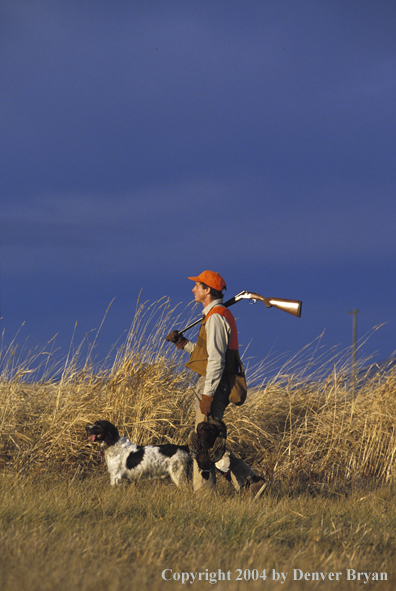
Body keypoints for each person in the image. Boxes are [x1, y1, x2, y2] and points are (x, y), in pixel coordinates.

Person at [166, 270, 267, 499]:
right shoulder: (213, 316)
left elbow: (217, 361)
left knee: (203, 442)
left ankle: (206, 496)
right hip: (213, 382)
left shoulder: (216, 317)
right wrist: (183, 344)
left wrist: (208, 395)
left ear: (207, 290)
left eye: (198, 285)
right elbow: (208, 354)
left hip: (213, 384)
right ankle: (250, 482)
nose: (193, 289)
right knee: (208, 440)